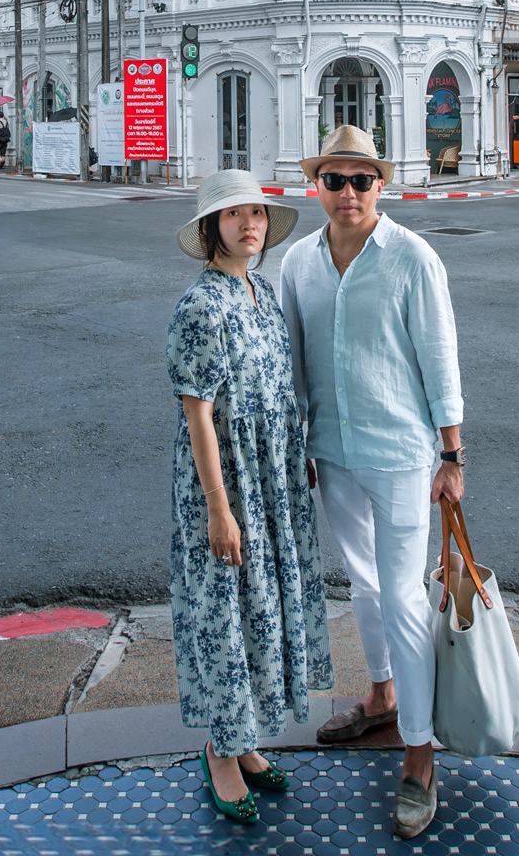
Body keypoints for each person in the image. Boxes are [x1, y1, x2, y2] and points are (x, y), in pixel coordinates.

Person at [282, 125, 466, 840]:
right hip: (332, 450)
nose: (349, 193)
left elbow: (439, 356)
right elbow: (292, 362)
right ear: (317, 187)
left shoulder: (413, 258)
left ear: (381, 186)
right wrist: (297, 443)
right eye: (336, 180)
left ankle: (420, 757)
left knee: (403, 597)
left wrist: (453, 454)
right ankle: (382, 697)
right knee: (361, 585)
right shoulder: (298, 262)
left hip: (401, 457)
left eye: (362, 180)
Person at [167, 170, 328, 827]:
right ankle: (221, 752)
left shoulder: (260, 290)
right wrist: (218, 507)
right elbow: (197, 414)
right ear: (211, 229)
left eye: (257, 214)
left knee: (264, 607)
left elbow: (278, 385)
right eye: (234, 216)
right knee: (226, 615)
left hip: (270, 482)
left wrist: (296, 459)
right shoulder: (199, 304)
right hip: (227, 486)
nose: (249, 226)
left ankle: (248, 739)